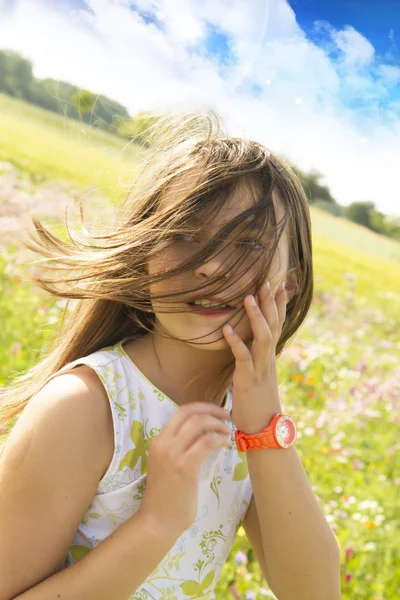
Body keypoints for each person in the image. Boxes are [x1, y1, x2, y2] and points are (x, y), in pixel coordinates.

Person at [0, 111, 340, 600]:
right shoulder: (85, 407)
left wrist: (264, 430)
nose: (212, 265)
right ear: (144, 253)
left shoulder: (245, 425)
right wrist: (157, 523)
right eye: (183, 234)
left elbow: (315, 592)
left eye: (246, 244)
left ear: (288, 284)